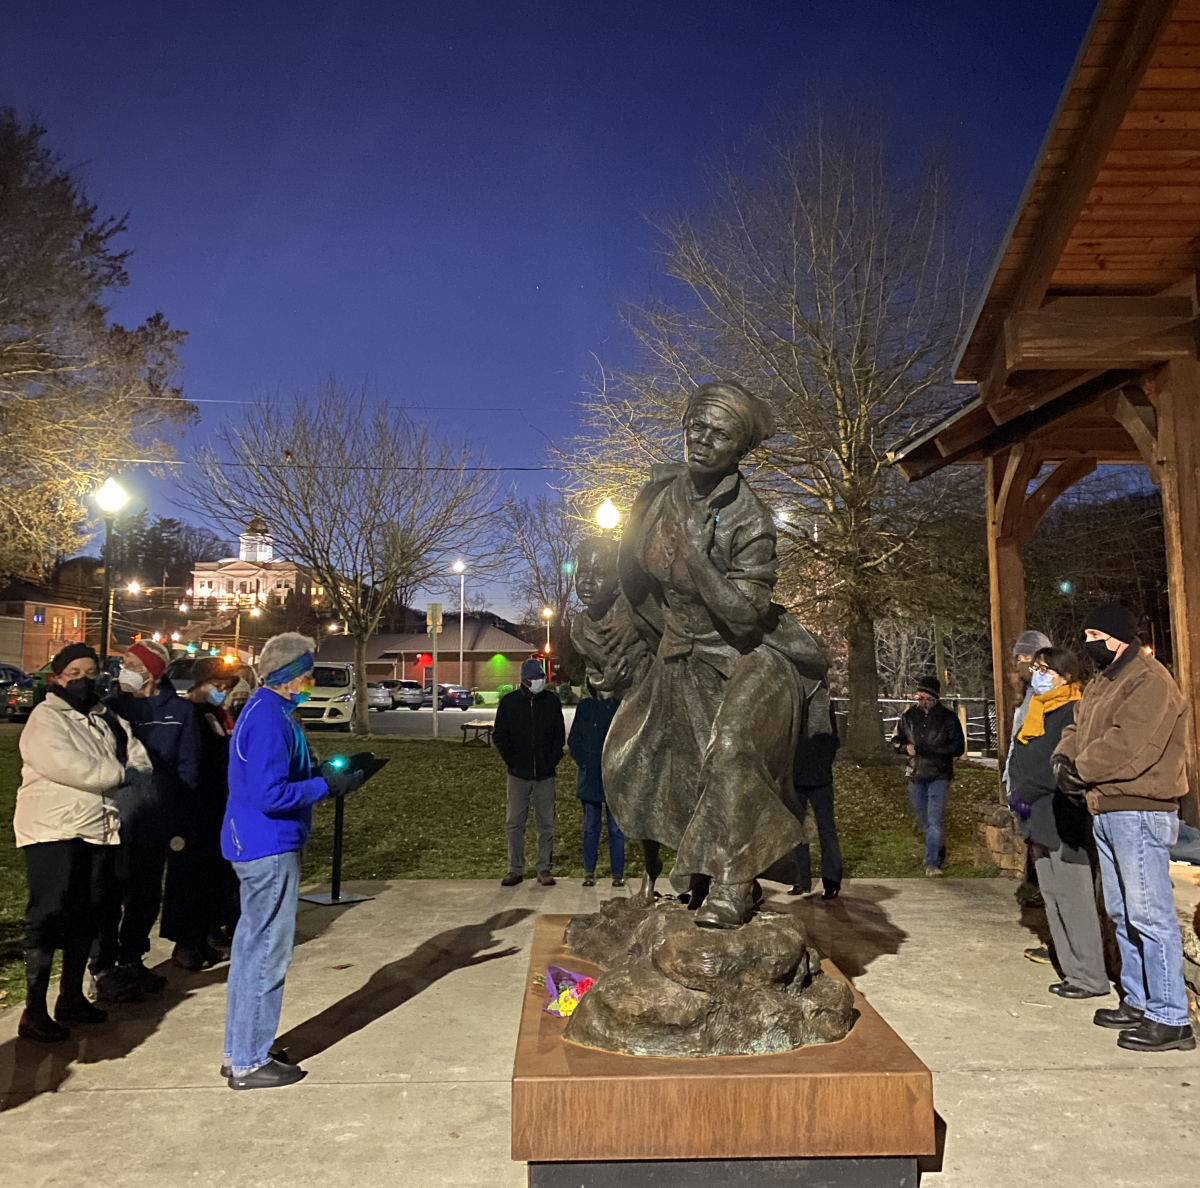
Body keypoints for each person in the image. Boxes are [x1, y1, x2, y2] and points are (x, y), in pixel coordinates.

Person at [602, 380, 830, 928]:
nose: (701, 440)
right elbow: (637, 579)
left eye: (718, 434)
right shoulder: (659, 493)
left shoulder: (750, 518)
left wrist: (701, 563)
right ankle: (688, 877)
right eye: (695, 426)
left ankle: (736, 885)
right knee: (640, 760)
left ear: (739, 448)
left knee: (730, 750)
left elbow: (747, 616)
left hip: (747, 654)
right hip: (679, 651)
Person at [221, 632, 365, 1089]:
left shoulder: (268, 711)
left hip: (258, 843)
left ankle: (241, 1048)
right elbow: (269, 793)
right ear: (287, 676)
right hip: (269, 845)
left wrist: (323, 772)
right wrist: (324, 787)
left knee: (250, 950)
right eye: (306, 674)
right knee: (266, 952)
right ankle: (248, 1059)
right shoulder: (268, 719)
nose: (310, 682)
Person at [1054, 601, 1195, 1053]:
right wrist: (1063, 757)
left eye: (1095, 635)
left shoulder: (1150, 681)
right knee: (1121, 912)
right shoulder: (1103, 682)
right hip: (1107, 808)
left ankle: (1171, 1015)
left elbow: (1131, 743)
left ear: (1117, 637)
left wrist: (1081, 769)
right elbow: (1077, 727)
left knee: (1149, 914)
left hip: (1140, 809)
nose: (1088, 644)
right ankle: (1138, 999)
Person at [13, 643, 152, 1042]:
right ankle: (34, 1009)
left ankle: (70, 996)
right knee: (49, 914)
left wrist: (129, 772)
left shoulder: (105, 718)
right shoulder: (46, 719)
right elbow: (75, 768)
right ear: (56, 677)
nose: (83, 679)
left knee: (89, 913)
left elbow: (138, 757)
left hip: (100, 827)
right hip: (54, 830)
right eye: (73, 672)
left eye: (89, 671)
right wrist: (121, 775)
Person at [91, 640, 201, 1001]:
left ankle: (132, 957)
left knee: (146, 891)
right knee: (111, 891)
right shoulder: (110, 708)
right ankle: (103, 966)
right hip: (116, 815)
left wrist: (180, 818)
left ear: (151, 672)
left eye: (130, 663)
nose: (122, 670)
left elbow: (188, 769)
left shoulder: (179, 711)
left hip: (156, 815)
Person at [1007, 646, 1108, 999]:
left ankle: (1090, 975)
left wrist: (1027, 790)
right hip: (1038, 821)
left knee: (1074, 900)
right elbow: (1020, 755)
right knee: (1052, 897)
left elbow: (1056, 765)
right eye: (1036, 668)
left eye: (1045, 669)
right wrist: (1016, 790)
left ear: (1066, 676)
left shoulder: (1072, 712)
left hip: (1063, 819)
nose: (1038, 674)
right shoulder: (1037, 711)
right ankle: (1072, 970)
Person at [162, 656, 241, 969]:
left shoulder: (216, 713)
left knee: (212, 874)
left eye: (225, 686)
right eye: (217, 685)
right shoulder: (188, 712)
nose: (222, 691)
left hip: (216, 804)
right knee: (188, 877)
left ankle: (204, 935)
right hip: (192, 804)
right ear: (200, 684)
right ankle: (185, 942)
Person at [1004, 628, 1054, 963]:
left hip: (1041, 795)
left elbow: (1039, 748)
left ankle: (1059, 944)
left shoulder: (1045, 698)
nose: (1020, 665)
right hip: (1025, 791)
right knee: (1041, 864)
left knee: (1056, 874)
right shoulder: (1025, 699)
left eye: (1026, 659)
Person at [494, 658, 565, 888]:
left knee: (546, 823)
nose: (540, 682)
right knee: (515, 823)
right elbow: (500, 736)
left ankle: (544, 867)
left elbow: (559, 736)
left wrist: (552, 760)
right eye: (536, 678)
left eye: (542, 678)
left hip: (545, 774)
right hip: (518, 775)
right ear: (525, 681)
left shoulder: (552, 702)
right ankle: (515, 868)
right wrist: (512, 761)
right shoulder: (509, 703)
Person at [893, 674, 965, 877]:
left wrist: (934, 751)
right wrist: (903, 747)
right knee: (922, 817)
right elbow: (896, 740)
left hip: (938, 774)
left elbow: (958, 747)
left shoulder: (947, 718)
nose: (922, 702)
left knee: (934, 819)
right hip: (915, 773)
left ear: (934, 698)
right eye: (919, 697)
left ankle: (932, 861)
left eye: (926, 698)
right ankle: (936, 846)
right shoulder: (909, 717)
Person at [568, 688, 625, 887]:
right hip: (591, 778)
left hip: (614, 779)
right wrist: (585, 762)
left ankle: (617, 873)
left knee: (616, 830)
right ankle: (589, 872)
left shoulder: (621, 707)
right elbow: (574, 739)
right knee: (591, 828)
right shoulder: (586, 707)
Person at [788, 698, 843, 899]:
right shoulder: (796, 699)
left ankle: (829, 881)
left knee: (825, 829)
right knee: (799, 829)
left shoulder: (820, 702)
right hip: (799, 776)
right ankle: (802, 879)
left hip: (816, 777)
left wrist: (822, 764)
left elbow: (832, 739)